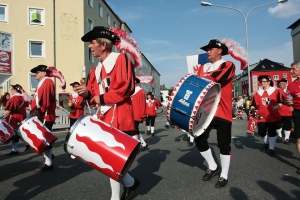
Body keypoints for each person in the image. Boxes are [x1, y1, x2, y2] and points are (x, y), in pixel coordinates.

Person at [77, 26, 140, 200]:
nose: (90, 47)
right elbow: (93, 96)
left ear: (103, 45)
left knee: (113, 158)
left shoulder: (121, 59)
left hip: (121, 115)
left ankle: (117, 195)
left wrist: (100, 98)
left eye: (92, 43)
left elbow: (126, 88)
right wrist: (86, 93)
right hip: (104, 117)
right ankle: (130, 183)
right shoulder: (94, 71)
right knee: (108, 157)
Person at [194, 39, 236, 188]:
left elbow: (218, 78)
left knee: (223, 145)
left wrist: (198, 77)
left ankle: (223, 175)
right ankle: (213, 166)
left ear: (220, 51)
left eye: (210, 49)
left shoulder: (228, 65)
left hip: (222, 111)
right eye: (207, 49)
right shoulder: (201, 68)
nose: (207, 52)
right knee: (199, 139)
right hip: (205, 112)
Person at [30, 65, 60, 172]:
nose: (35, 74)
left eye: (37, 72)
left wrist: (39, 111)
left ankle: (48, 163)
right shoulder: (43, 82)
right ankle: (48, 158)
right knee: (43, 139)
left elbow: (46, 100)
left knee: (45, 140)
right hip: (43, 115)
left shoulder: (47, 82)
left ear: (43, 73)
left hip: (45, 115)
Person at [250, 75, 284, 157]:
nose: (263, 83)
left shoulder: (276, 91)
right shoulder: (257, 93)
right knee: (261, 132)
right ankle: (267, 143)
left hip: (271, 115)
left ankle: (271, 148)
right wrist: (252, 108)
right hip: (261, 115)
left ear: (269, 82)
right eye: (262, 81)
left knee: (272, 132)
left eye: (264, 81)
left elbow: (281, 102)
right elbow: (253, 104)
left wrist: (277, 106)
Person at [4, 84, 30, 155]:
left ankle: (19, 148)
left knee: (15, 134)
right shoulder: (21, 97)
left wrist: (5, 113)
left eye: (12, 89)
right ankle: (19, 148)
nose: (11, 91)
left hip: (15, 118)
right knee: (17, 134)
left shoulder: (15, 98)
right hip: (21, 117)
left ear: (15, 90)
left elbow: (12, 108)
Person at [286, 61, 300, 174]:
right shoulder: (291, 85)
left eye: (293, 69)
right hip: (298, 112)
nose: (291, 71)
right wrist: (289, 102)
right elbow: (288, 98)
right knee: (299, 138)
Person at [131, 77, 148, 151]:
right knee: (135, 130)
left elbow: (142, 104)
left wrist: (142, 115)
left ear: (135, 82)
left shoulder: (141, 92)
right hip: (131, 113)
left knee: (134, 130)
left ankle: (136, 147)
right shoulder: (132, 91)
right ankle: (143, 144)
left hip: (136, 114)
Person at [276, 78, 293, 144]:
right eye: (280, 84)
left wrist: (292, 106)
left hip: (287, 111)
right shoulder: (277, 91)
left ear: (286, 84)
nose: (281, 85)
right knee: (278, 125)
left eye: (283, 83)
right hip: (278, 111)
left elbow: (293, 100)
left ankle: (286, 139)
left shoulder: (289, 91)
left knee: (287, 125)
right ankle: (280, 136)